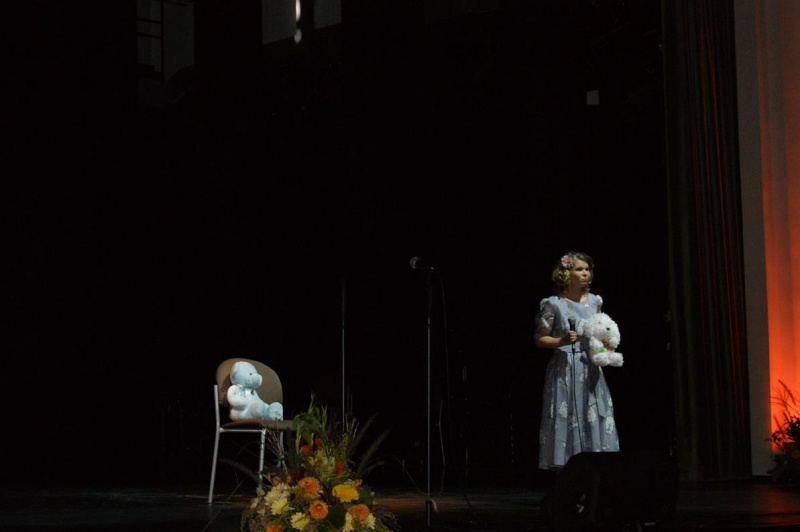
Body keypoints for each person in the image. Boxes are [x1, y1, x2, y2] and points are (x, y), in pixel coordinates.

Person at [535, 251, 620, 471]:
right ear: (566, 273)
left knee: (592, 413)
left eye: (587, 269)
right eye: (579, 269)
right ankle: (569, 476)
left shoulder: (594, 302)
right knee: (569, 416)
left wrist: (606, 347)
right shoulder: (553, 304)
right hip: (566, 368)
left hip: (590, 367)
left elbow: (599, 333)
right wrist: (561, 340)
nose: (585, 274)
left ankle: (594, 474)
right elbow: (540, 338)